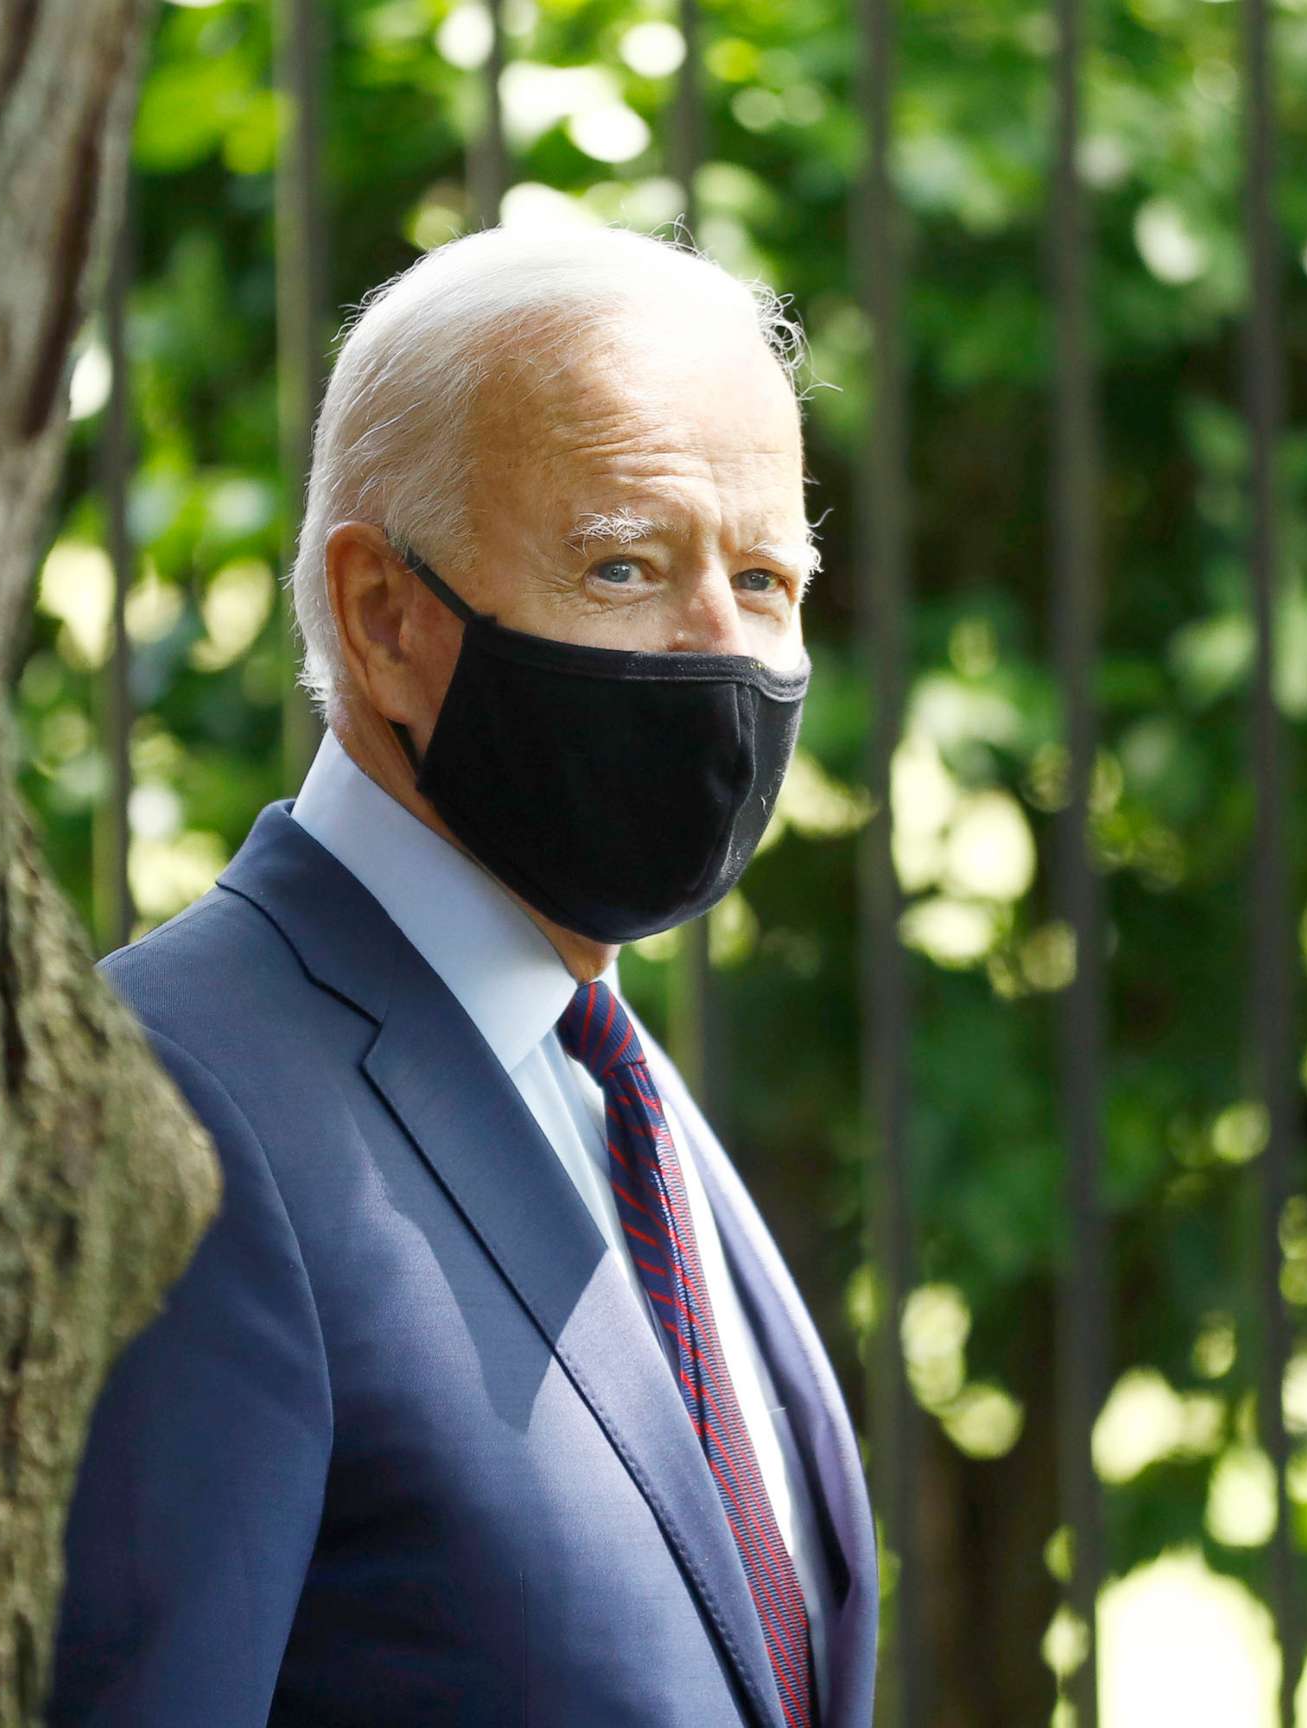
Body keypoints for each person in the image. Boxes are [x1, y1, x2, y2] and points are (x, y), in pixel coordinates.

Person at [48, 224, 877, 1728]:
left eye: (764, 580)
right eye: (623, 564)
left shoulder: (619, 1092)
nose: (719, 651)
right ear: (383, 617)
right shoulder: (174, 1104)